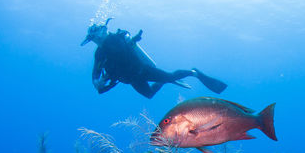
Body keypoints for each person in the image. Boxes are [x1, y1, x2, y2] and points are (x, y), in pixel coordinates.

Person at [81, 18, 227, 99]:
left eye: (97, 36)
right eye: (94, 38)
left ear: (103, 31)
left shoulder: (117, 38)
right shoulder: (99, 54)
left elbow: (128, 45)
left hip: (143, 70)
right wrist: (97, 82)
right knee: (150, 94)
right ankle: (163, 80)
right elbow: (95, 73)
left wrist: (134, 40)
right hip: (132, 80)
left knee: (170, 77)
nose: (97, 40)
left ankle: (193, 72)